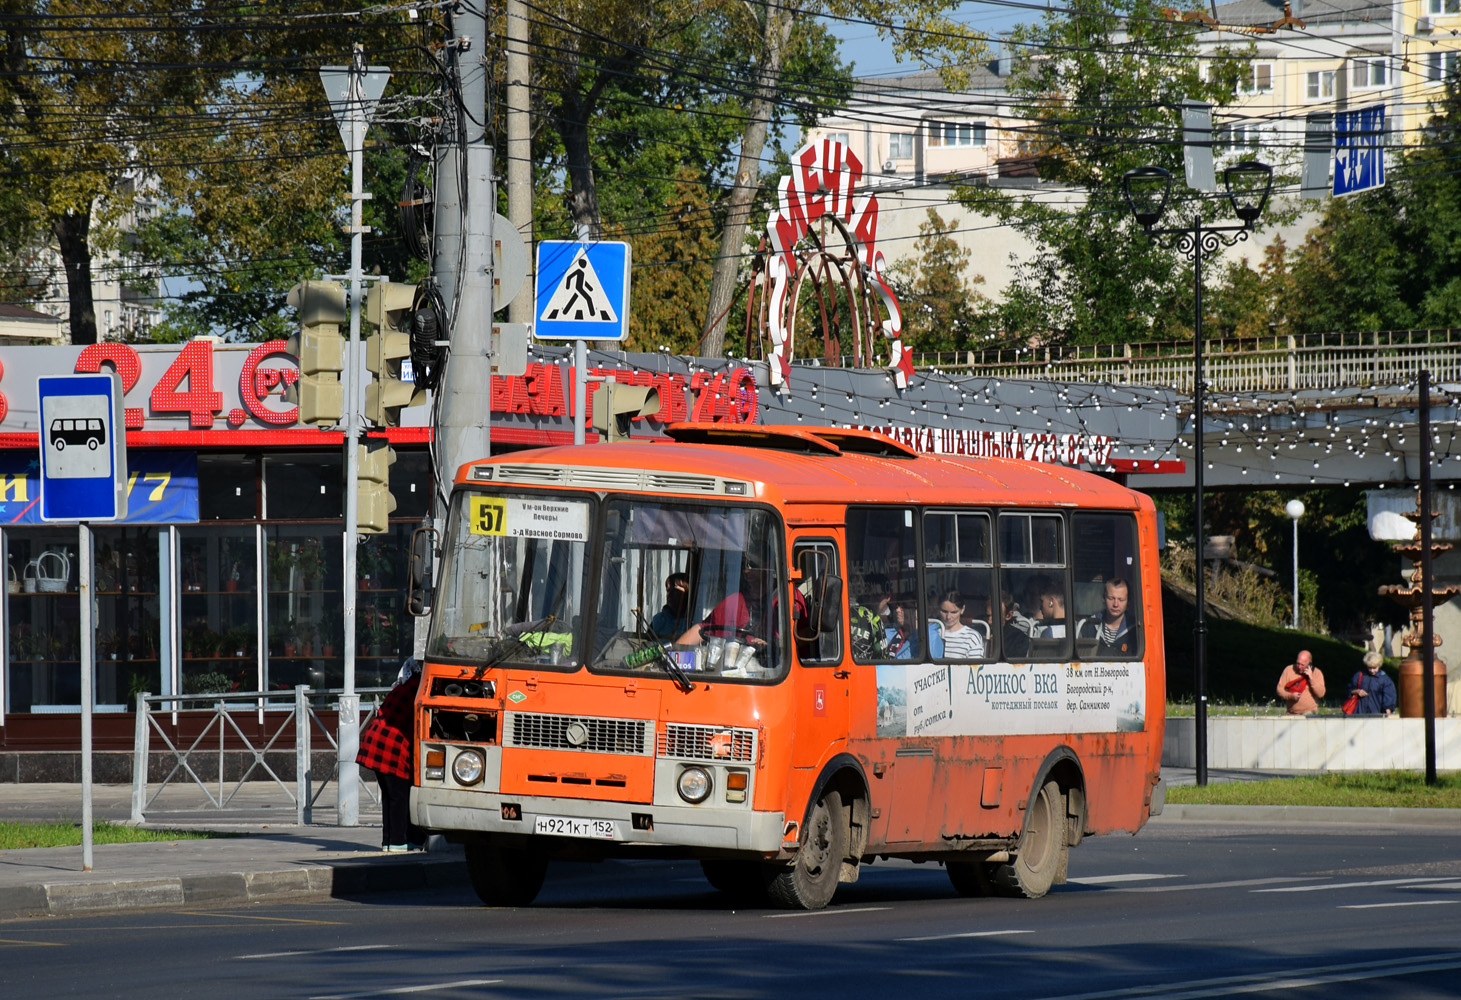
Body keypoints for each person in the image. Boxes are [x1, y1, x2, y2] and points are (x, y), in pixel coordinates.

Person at [356, 658, 426, 852]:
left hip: (376, 744)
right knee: (399, 797)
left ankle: (388, 841)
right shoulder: (418, 690)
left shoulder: (402, 686)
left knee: (389, 796)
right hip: (392, 749)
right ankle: (398, 841)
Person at [1076, 577, 1138, 655]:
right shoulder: (1088, 626)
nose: (1116, 604)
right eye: (1111, 598)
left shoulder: (1136, 630)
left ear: (1128, 602)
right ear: (1103, 598)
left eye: (1121, 600)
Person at [930, 590, 984, 660]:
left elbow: (975, 668)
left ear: (962, 609)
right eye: (944, 611)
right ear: (938, 609)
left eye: (954, 612)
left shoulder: (972, 637)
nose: (948, 617)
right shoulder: (931, 633)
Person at [850, 573, 891, 660]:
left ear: (888, 597)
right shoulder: (853, 614)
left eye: (877, 595)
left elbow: (883, 657)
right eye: (869, 595)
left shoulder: (877, 619)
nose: (872, 599)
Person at [1277, 649, 1326, 716]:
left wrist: (1311, 678)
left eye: (1302, 665)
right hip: (1291, 713)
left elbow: (1321, 694)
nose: (1299, 667)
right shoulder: (1289, 670)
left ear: (1309, 663)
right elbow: (1279, 689)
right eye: (1298, 663)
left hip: (1309, 713)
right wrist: (1290, 696)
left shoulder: (1317, 673)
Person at [1348, 650, 1397, 716]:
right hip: (1359, 712)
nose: (1371, 671)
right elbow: (1350, 689)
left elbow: (1389, 697)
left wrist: (1388, 710)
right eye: (1369, 668)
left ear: (1379, 666)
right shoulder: (1359, 675)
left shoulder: (1385, 679)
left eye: (1374, 668)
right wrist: (1357, 691)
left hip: (1377, 713)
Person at [649, 572, 691, 639]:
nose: (670, 594)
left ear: (688, 593)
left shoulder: (694, 622)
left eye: (675, 590)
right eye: (668, 590)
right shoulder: (658, 621)